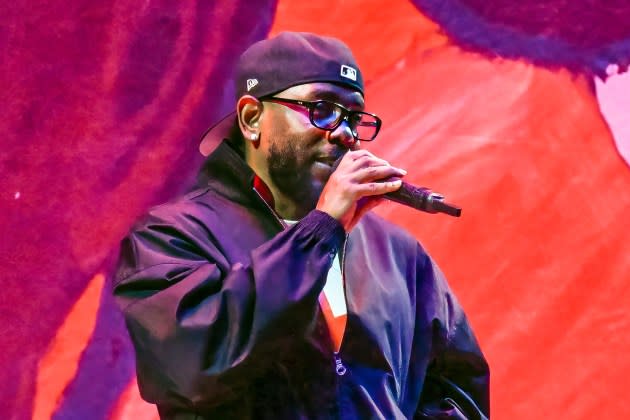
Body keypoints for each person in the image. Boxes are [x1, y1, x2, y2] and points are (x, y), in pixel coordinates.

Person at [114, 31, 490, 419]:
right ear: (251, 118)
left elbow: (458, 388)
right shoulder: (170, 238)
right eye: (322, 109)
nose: (344, 132)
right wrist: (322, 229)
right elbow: (194, 364)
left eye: (354, 117)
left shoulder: (399, 255)